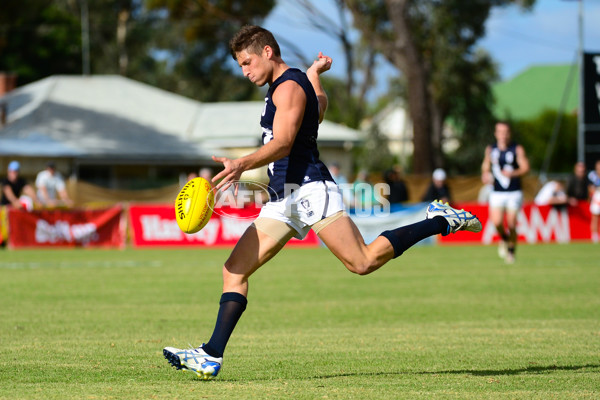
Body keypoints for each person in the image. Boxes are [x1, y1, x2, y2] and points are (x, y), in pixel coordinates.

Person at [162, 25, 482, 380]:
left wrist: (241, 163)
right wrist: (315, 75)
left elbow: (283, 143)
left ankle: (439, 219)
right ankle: (211, 354)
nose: (244, 71)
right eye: (240, 66)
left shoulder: (289, 87)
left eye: (247, 62)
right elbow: (319, 111)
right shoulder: (292, 85)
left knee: (362, 262)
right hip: (284, 197)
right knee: (234, 270)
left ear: (268, 52)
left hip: (311, 189)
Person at [481, 121, 530, 264]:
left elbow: (525, 168)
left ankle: (511, 251)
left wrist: (513, 173)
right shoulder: (491, 149)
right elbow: (485, 166)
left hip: (514, 191)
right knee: (496, 222)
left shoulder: (517, 149)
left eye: (506, 132)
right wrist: (485, 174)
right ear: (496, 133)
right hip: (497, 192)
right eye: (500, 132)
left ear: (510, 133)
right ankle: (504, 238)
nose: (503, 135)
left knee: (512, 224)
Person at [588, 160, 600, 243]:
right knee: (595, 217)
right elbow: (590, 188)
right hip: (597, 197)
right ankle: (594, 235)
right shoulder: (592, 175)